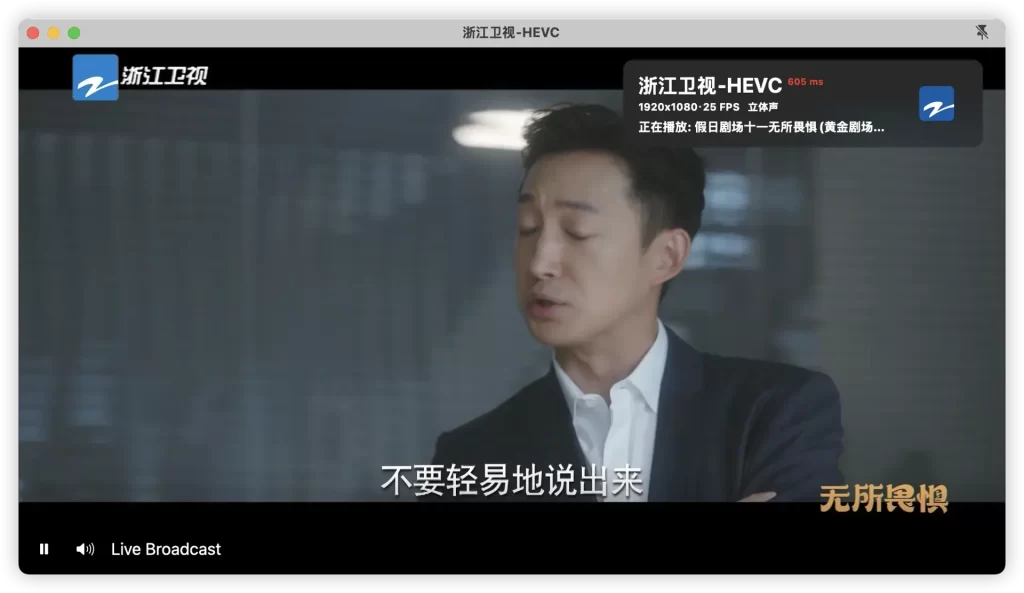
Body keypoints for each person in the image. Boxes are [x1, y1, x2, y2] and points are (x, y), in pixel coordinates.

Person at [425, 103, 844, 502]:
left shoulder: (775, 412)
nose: (539, 263)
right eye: (528, 228)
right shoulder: (469, 458)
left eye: (577, 231)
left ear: (666, 256)